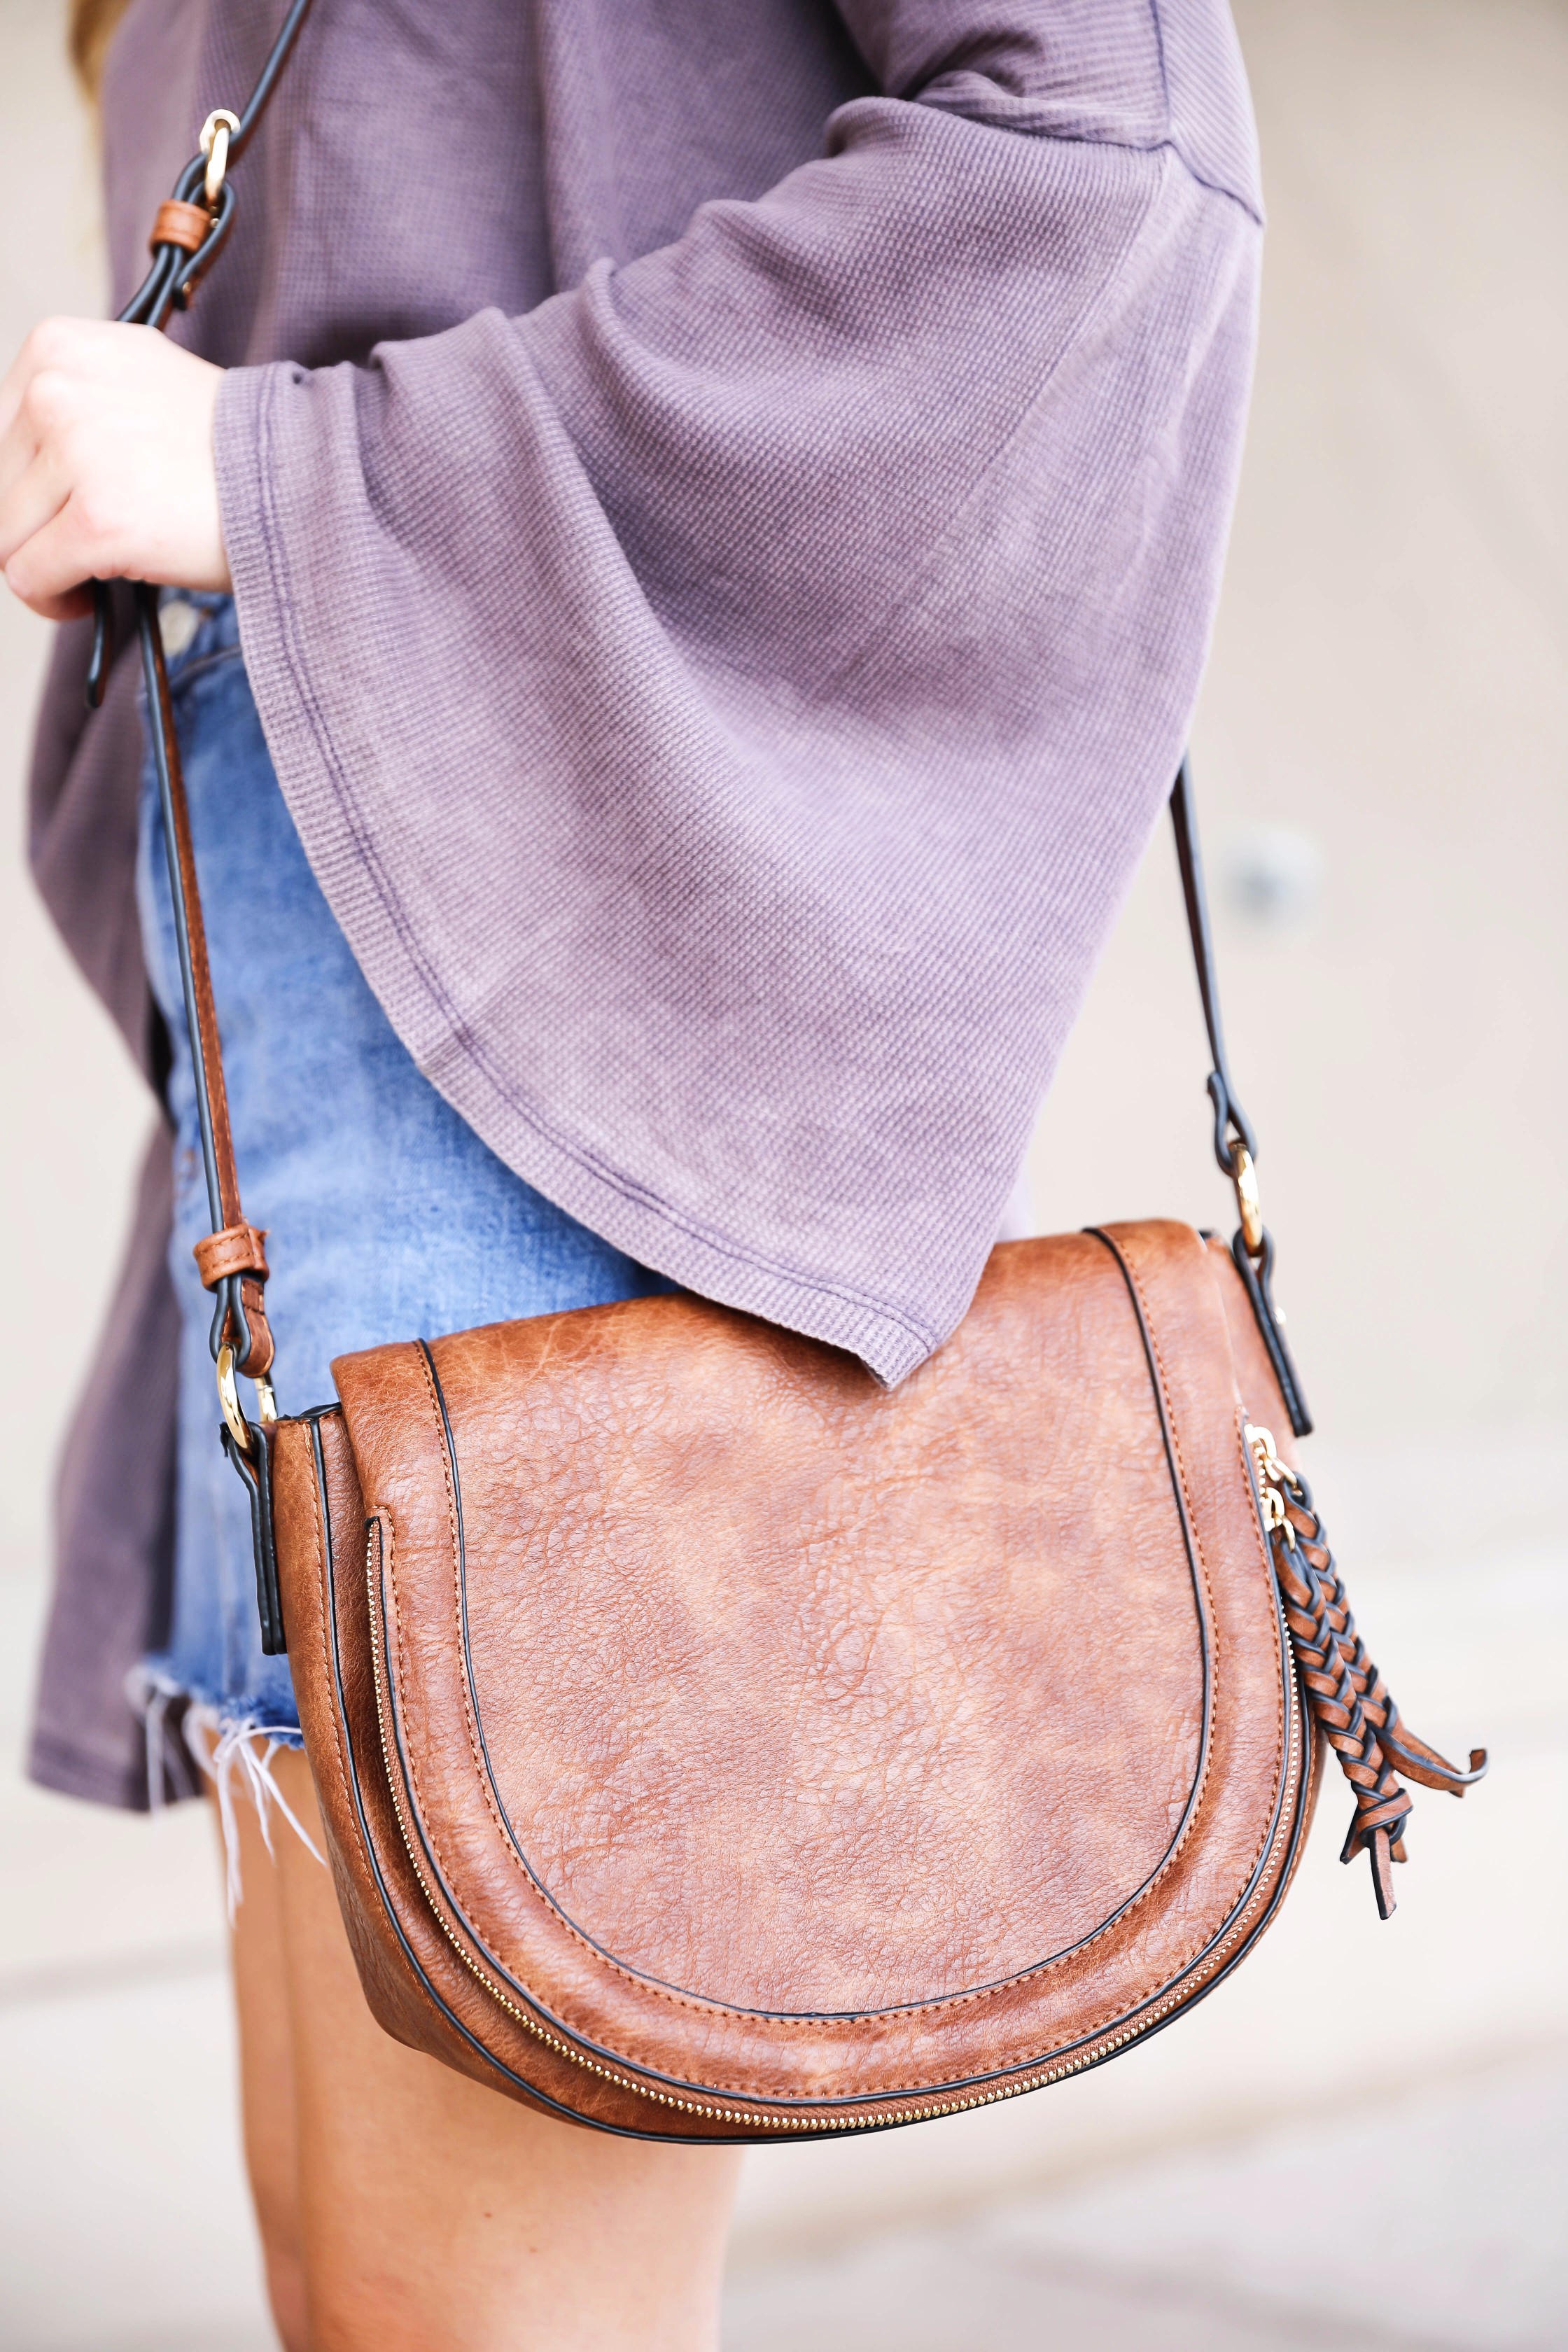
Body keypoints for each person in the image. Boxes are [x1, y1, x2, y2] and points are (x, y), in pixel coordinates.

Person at [4, 1, 1263, 2344]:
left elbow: (1106, 153)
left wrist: (291, 473)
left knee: (454, 2315)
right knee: (348, 2281)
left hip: (519, 908)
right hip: (291, 937)